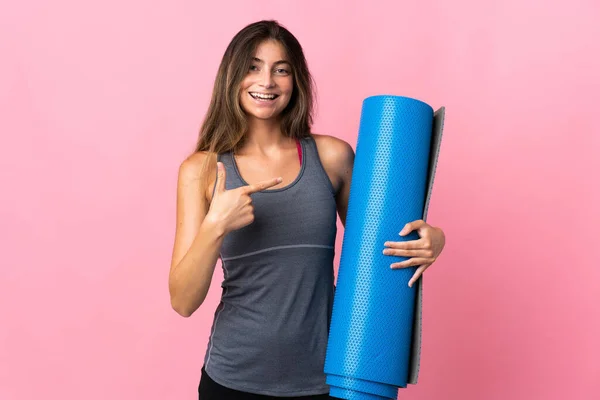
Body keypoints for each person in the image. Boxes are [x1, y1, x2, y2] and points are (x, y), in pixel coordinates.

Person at [168, 19, 446, 400]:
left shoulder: (331, 156)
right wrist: (215, 225)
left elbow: (382, 249)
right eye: (252, 67)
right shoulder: (201, 170)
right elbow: (183, 301)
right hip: (233, 379)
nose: (266, 81)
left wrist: (433, 239)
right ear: (231, 76)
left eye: (280, 70)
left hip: (327, 378)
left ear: (295, 80)